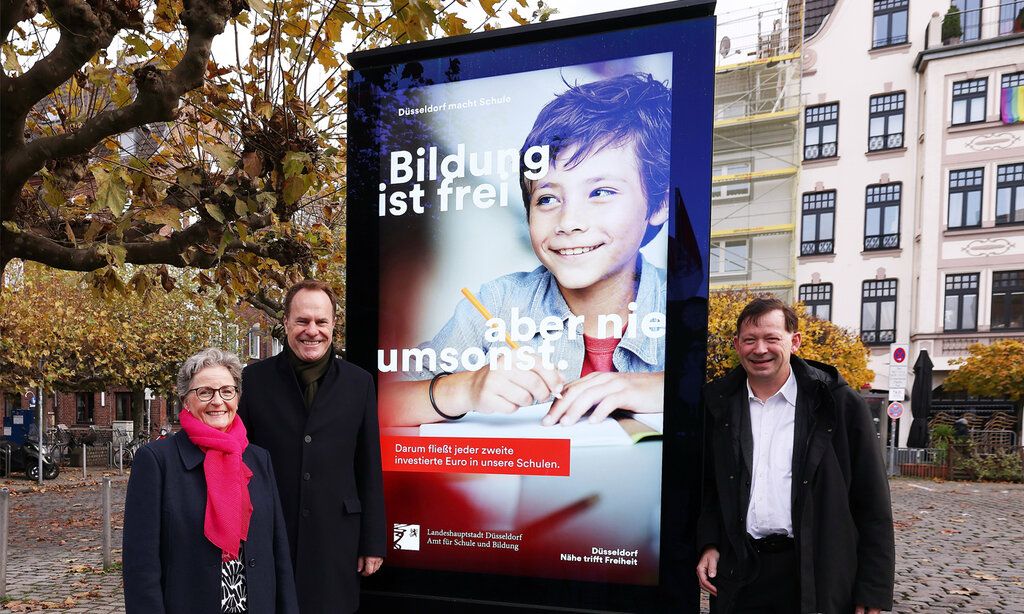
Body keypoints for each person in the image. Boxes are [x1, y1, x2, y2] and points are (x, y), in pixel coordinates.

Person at [384, 72, 670, 427]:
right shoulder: (496, 303)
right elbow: (379, 402)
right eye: (548, 198)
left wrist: (663, 387)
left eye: (600, 192)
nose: (569, 221)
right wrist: (466, 388)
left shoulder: (678, 304)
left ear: (658, 204)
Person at [695, 298, 895, 613]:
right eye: (749, 340)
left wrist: (872, 589)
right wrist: (709, 543)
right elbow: (708, 486)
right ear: (737, 344)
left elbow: (872, 503)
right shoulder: (717, 404)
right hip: (741, 572)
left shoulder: (838, 404)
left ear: (795, 341)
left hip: (814, 571)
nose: (759, 349)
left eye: (772, 338)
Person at [238, 280, 385, 614]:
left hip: (337, 538)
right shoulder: (254, 380)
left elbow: (368, 465)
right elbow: (239, 460)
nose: (312, 331)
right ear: (286, 324)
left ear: (334, 325)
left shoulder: (358, 383)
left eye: (321, 322)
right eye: (303, 321)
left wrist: (373, 540)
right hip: (270, 533)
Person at [123, 348, 298, 614]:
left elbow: (278, 550)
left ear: (237, 398)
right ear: (185, 401)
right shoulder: (157, 461)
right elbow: (140, 564)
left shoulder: (257, 458)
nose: (218, 401)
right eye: (205, 392)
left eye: (227, 391)